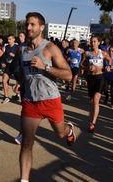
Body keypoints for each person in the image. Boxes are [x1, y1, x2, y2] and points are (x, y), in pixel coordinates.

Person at [19, 12, 76, 182]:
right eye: (27, 24)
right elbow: (25, 74)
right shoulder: (23, 50)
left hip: (50, 100)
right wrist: (20, 83)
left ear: (41, 27)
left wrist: (46, 67)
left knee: (60, 133)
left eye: (32, 24)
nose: (28, 27)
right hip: (30, 102)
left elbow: (68, 75)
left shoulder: (50, 48)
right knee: (27, 143)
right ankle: (24, 179)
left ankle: (69, 129)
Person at [81, 35, 111, 133]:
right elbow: (81, 64)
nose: (93, 43)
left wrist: (108, 66)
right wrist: (87, 68)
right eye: (91, 41)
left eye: (94, 41)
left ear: (99, 43)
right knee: (92, 102)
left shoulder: (103, 53)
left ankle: (92, 123)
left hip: (100, 77)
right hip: (90, 78)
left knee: (96, 100)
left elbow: (109, 60)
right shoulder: (87, 53)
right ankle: (93, 118)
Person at [0, 34, 19, 104]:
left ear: (14, 39)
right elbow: (4, 56)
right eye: (8, 39)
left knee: (18, 85)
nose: (8, 41)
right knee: (4, 80)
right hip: (8, 66)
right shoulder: (7, 47)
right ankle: (6, 97)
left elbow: (21, 57)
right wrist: (3, 62)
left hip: (16, 67)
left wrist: (14, 56)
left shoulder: (17, 47)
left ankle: (17, 94)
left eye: (10, 39)